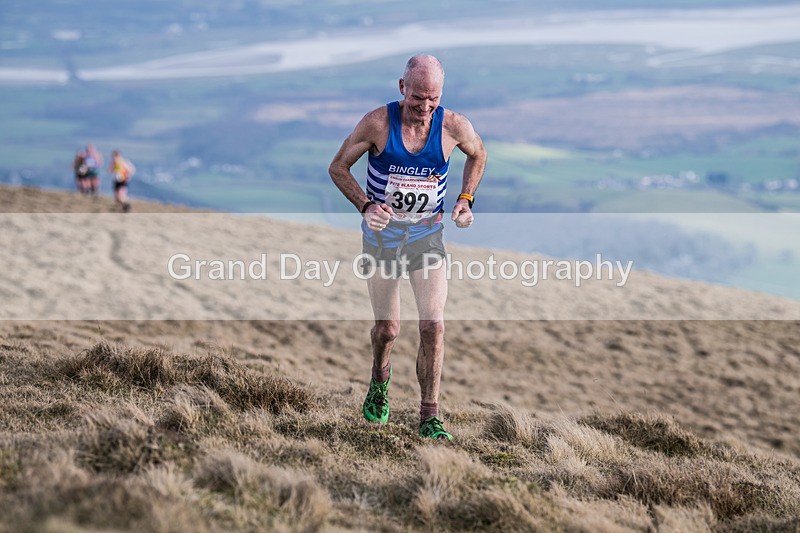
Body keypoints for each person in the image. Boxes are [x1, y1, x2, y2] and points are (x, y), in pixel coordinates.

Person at [329, 54, 487, 440]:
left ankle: (430, 416)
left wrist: (465, 199)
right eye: (418, 99)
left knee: (433, 325)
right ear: (403, 89)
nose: (424, 108)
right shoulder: (378, 123)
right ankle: (380, 382)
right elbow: (338, 167)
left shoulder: (453, 126)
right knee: (388, 329)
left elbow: (479, 154)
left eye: (432, 100)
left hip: (426, 235)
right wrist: (366, 206)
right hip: (383, 237)